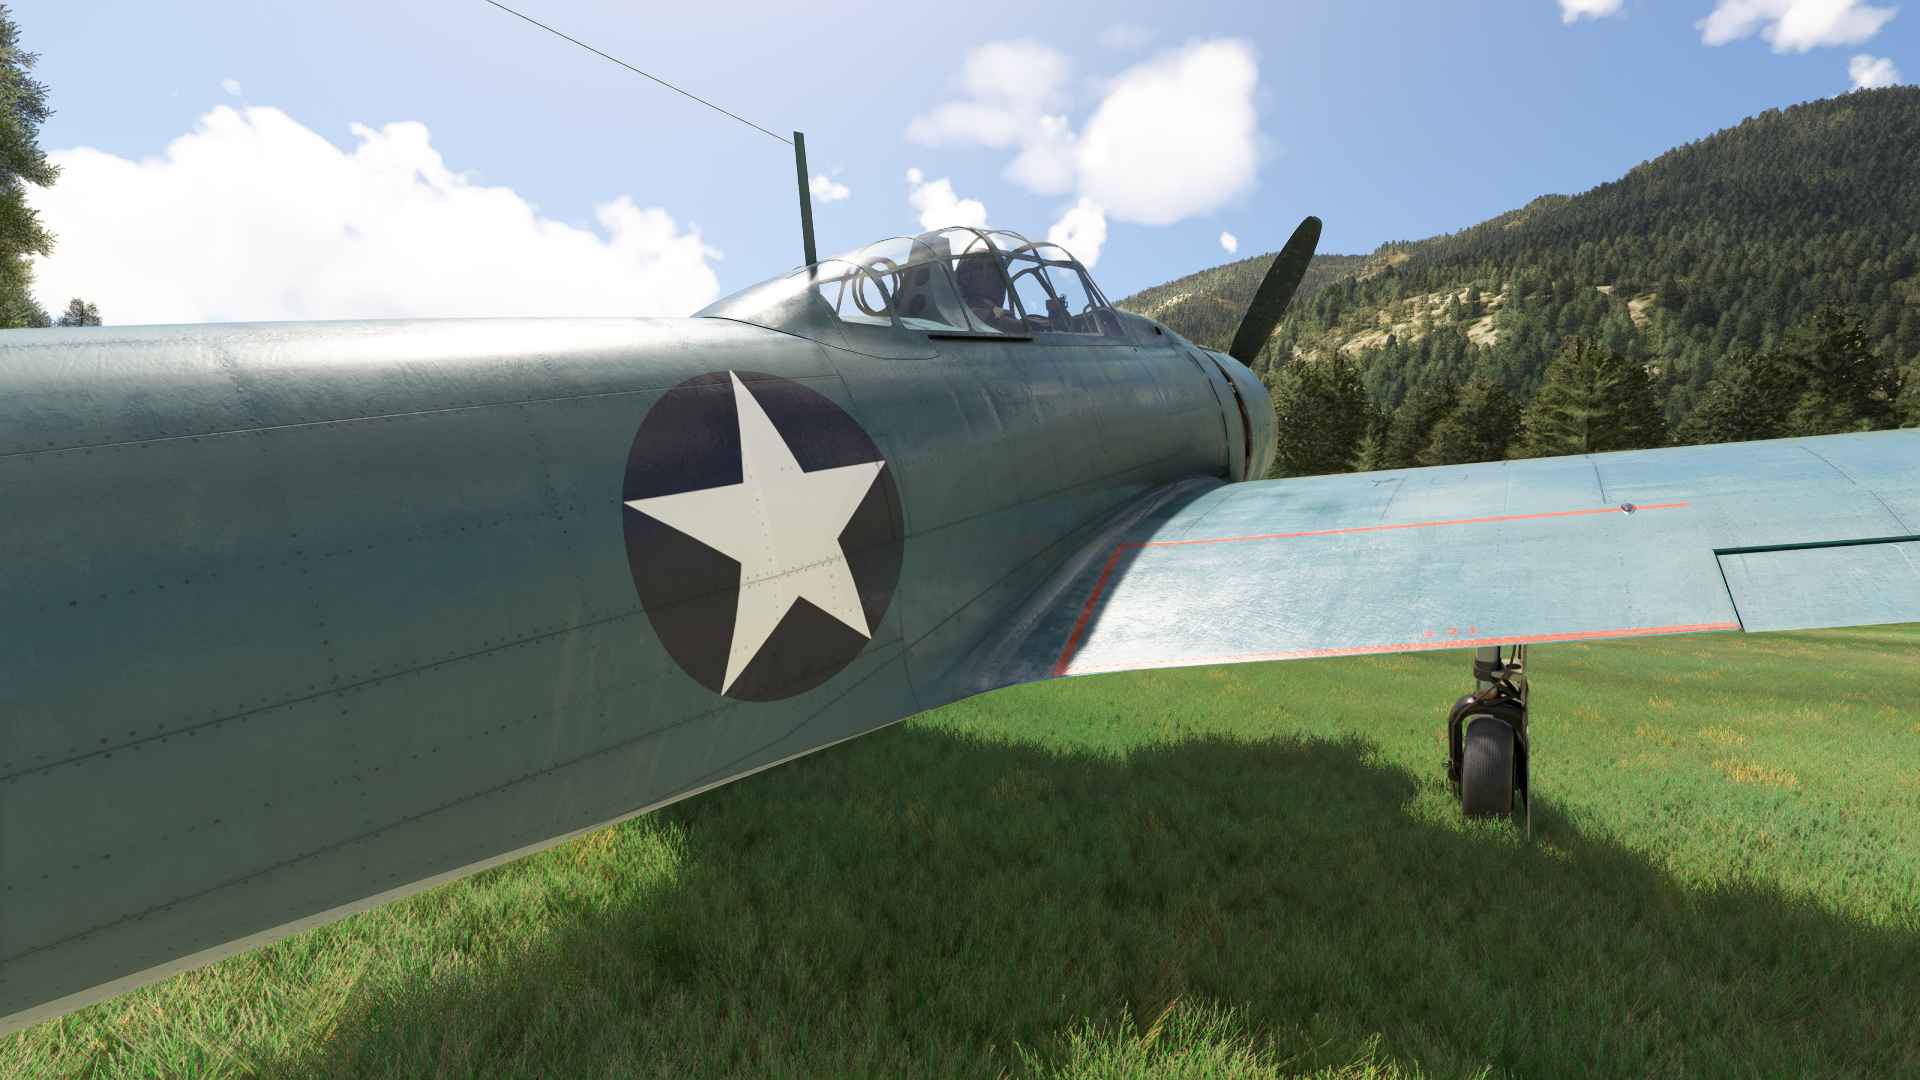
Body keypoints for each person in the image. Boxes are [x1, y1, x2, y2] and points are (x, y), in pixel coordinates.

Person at [953, 253, 1021, 333]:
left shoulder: (998, 312)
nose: (986, 273)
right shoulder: (959, 312)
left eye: (992, 268)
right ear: (964, 276)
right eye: (978, 267)